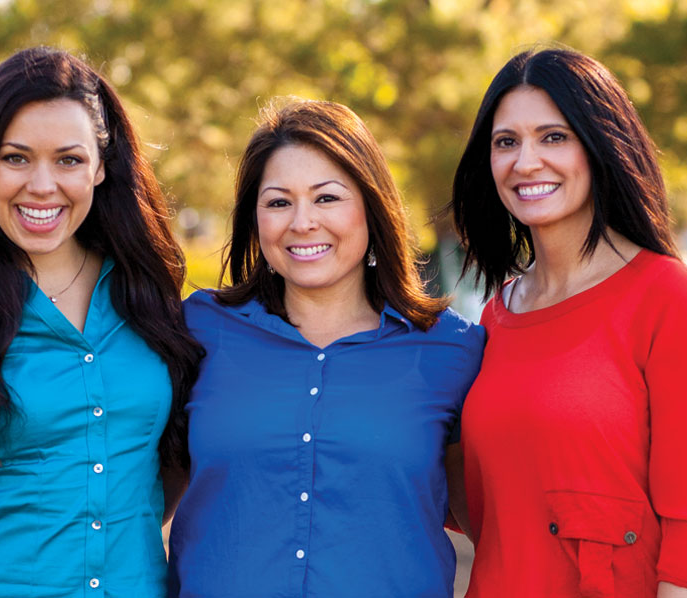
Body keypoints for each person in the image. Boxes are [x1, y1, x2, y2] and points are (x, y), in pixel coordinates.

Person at [0, 47, 201, 597]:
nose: (42, 185)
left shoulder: (150, 299)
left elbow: (169, 465)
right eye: (16, 158)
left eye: (68, 159)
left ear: (101, 167)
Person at [167, 99, 484, 597]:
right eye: (278, 202)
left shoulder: (453, 350)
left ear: (371, 208)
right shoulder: (199, 331)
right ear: (256, 221)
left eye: (327, 198)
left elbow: (495, 530)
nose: (302, 222)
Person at [452, 47, 687, 597]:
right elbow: (489, 510)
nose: (526, 162)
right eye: (505, 142)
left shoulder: (666, 298)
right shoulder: (496, 315)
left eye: (554, 136)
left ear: (601, 144)